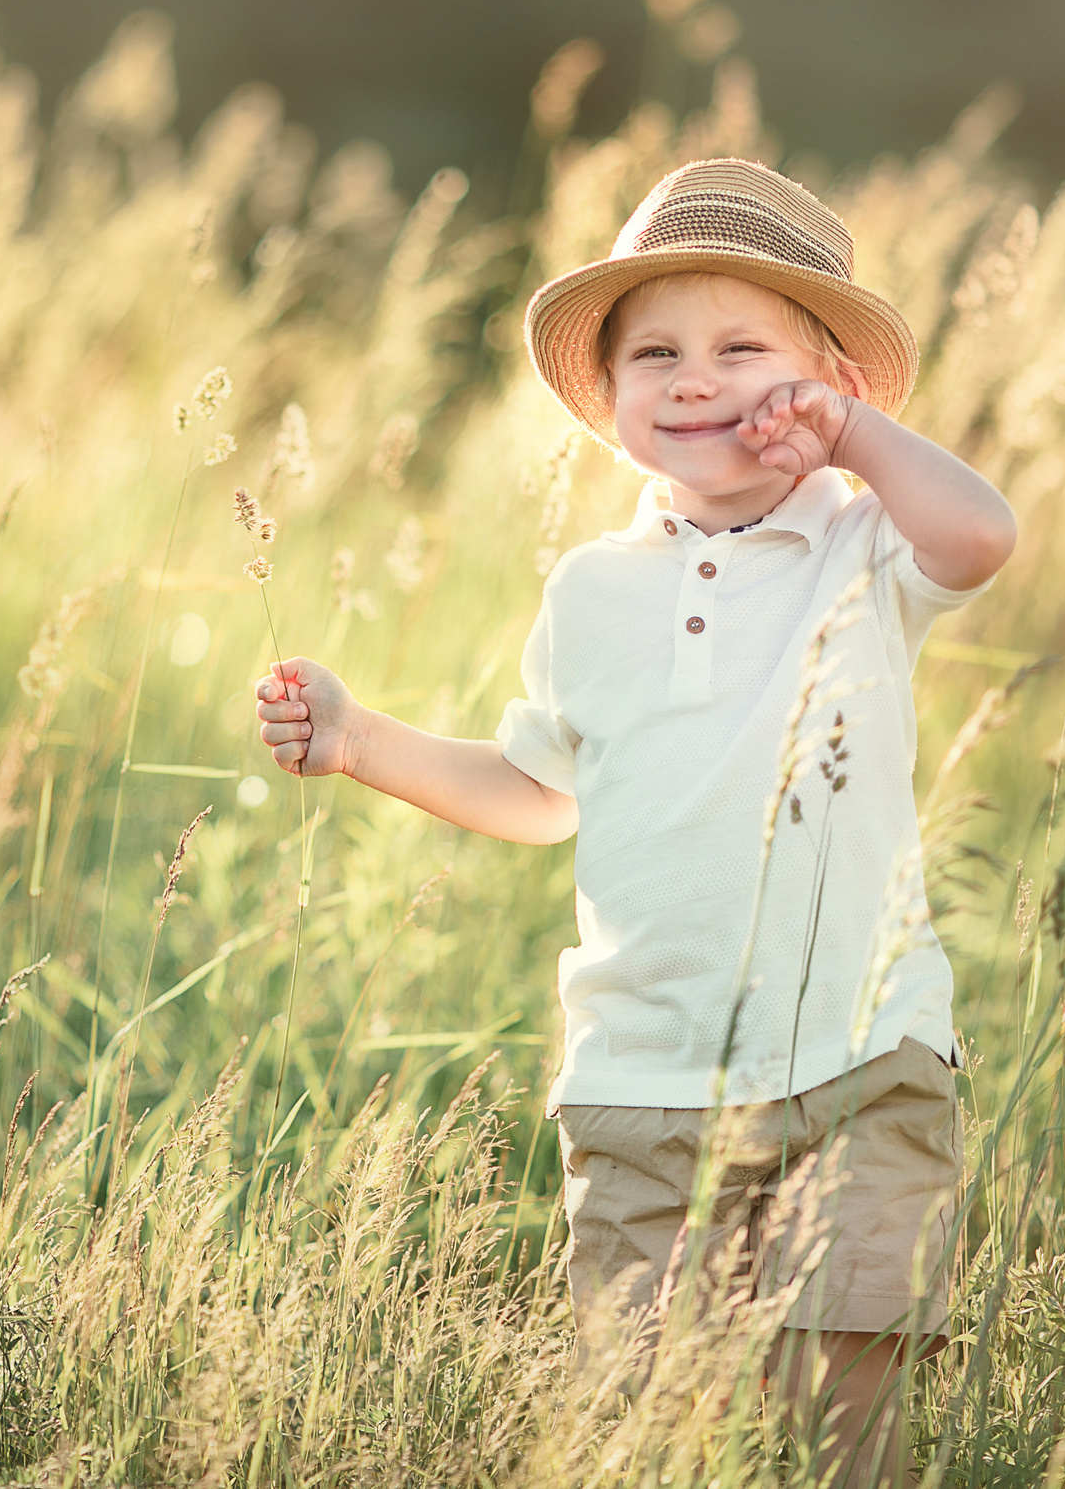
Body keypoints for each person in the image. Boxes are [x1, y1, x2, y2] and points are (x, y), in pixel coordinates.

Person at [254, 157, 1016, 1485]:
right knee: (644, 1417)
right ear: (609, 402)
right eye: (653, 352)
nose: (694, 377)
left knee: (848, 1397)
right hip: (640, 1077)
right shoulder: (592, 590)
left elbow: (984, 538)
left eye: (742, 348)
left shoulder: (863, 540)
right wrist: (361, 740)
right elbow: (543, 792)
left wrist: (852, 440)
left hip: (859, 1055)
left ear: (825, 377)